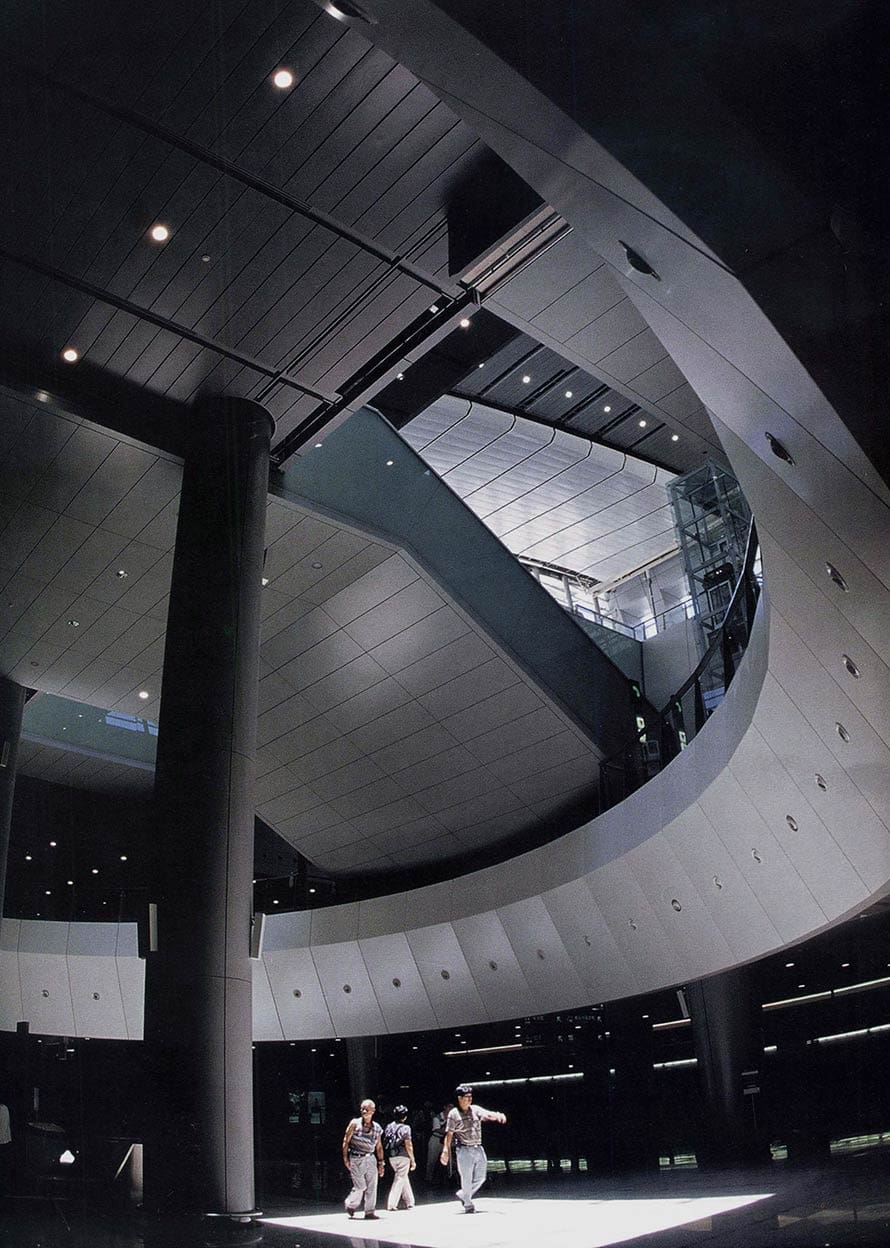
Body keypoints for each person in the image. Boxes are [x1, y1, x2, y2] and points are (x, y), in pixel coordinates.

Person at [440, 1084, 506, 1213]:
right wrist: (445, 1151)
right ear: (459, 1098)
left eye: (471, 1097)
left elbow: (487, 1114)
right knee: (466, 1178)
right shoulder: (453, 1114)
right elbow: (449, 1134)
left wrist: (498, 1115)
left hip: (478, 1148)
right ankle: (468, 1204)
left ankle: (463, 1194)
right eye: (467, 1097)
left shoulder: (475, 1109)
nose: (470, 1099)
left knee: (481, 1177)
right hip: (464, 1150)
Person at [342, 1098, 385, 1220]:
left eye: (367, 1109)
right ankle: (351, 1204)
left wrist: (381, 1163)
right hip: (356, 1158)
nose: (364, 1111)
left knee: (372, 1185)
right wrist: (345, 1158)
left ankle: (369, 1211)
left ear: (373, 1111)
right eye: (362, 1109)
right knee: (360, 1186)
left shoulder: (377, 1127)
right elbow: (346, 1140)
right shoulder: (354, 1123)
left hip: (370, 1158)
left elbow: (379, 1146)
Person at [383, 1104, 416, 1210]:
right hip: (403, 1156)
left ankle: (410, 1201)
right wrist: (413, 1159)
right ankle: (392, 1203)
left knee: (403, 1177)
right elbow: (408, 1144)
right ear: (405, 1117)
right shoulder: (406, 1128)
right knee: (400, 1178)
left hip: (392, 1156)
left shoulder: (389, 1126)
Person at [426, 1100, 452, 1183]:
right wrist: (449, 1131)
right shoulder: (437, 1118)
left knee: (449, 1160)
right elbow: (436, 1129)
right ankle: (428, 1179)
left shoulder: (452, 1118)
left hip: (447, 1140)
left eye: (452, 1107)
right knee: (432, 1160)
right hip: (436, 1139)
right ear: (445, 1107)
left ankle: (449, 1178)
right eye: (449, 1107)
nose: (451, 1109)